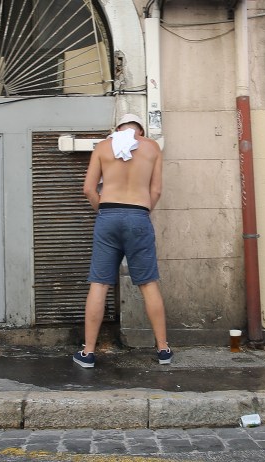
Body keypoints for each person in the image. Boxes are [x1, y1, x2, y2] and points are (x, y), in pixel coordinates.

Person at [73, 113, 171, 368]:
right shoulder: (152, 147)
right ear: (140, 130)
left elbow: (88, 189)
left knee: (99, 283)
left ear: (117, 129)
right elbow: (157, 190)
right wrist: (141, 212)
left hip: (108, 215)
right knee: (148, 283)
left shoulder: (104, 147)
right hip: (138, 214)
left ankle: (88, 353)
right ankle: (163, 349)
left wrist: (103, 210)